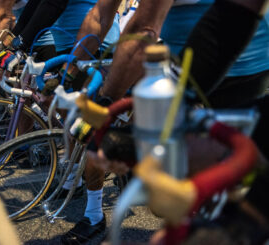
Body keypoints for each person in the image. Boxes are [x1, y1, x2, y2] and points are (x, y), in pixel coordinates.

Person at [59, 0, 269, 243]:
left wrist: (105, 106)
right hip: (195, 61)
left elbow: (144, 30)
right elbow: (232, 15)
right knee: (181, 183)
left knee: (227, 188)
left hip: (242, 68)